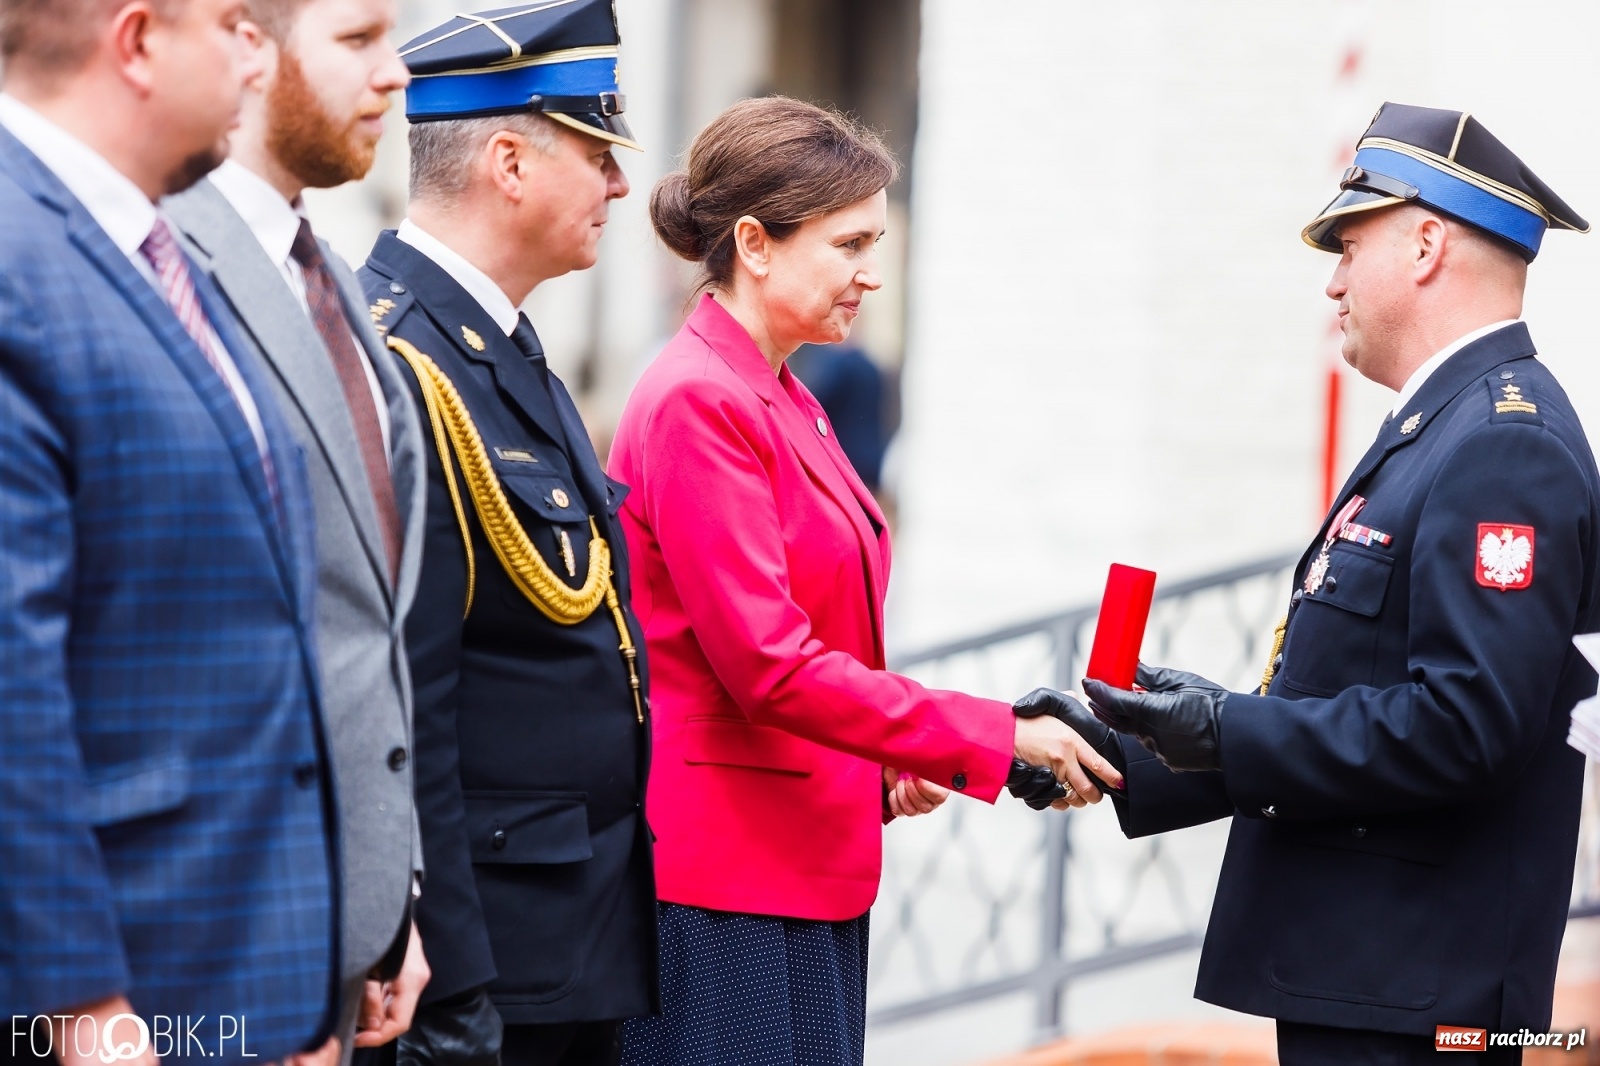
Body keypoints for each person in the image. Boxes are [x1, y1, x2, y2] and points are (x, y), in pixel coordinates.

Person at [1028, 103, 1600, 1065]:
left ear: (1426, 244)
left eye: (1349, 243)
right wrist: (1145, 741)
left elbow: (1465, 729)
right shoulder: (1445, 426)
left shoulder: (1504, 442)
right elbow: (1349, 700)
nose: (1332, 279)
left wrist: (1227, 731)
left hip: (1425, 1005)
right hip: (1376, 984)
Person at [607, 96, 1124, 1066]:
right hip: (721, 882)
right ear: (755, 244)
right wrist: (989, 732)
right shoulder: (698, 400)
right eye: (848, 245)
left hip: (792, 862)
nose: (871, 274)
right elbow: (768, 663)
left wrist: (882, 767)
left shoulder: (781, 392)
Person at [0, 0, 343, 1060]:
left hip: (246, 957)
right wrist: (82, 1003)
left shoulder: (148, 243)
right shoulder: (19, 261)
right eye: (234, 24)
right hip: (127, 990)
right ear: (138, 40)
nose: (257, 58)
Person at [356, 3, 657, 1063]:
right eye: (598, 152)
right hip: (492, 956)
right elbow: (408, 704)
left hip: (569, 929)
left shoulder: (502, 343)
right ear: (510, 161)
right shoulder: (405, 362)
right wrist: (456, 980)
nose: (620, 185)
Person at [163, 0, 430, 1057]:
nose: (396, 73)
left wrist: (389, 896)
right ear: (249, 49)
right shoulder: (169, 259)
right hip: (230, 947)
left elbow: (367, 622)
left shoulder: (327, 269)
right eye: (359, 40)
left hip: (350, 936)